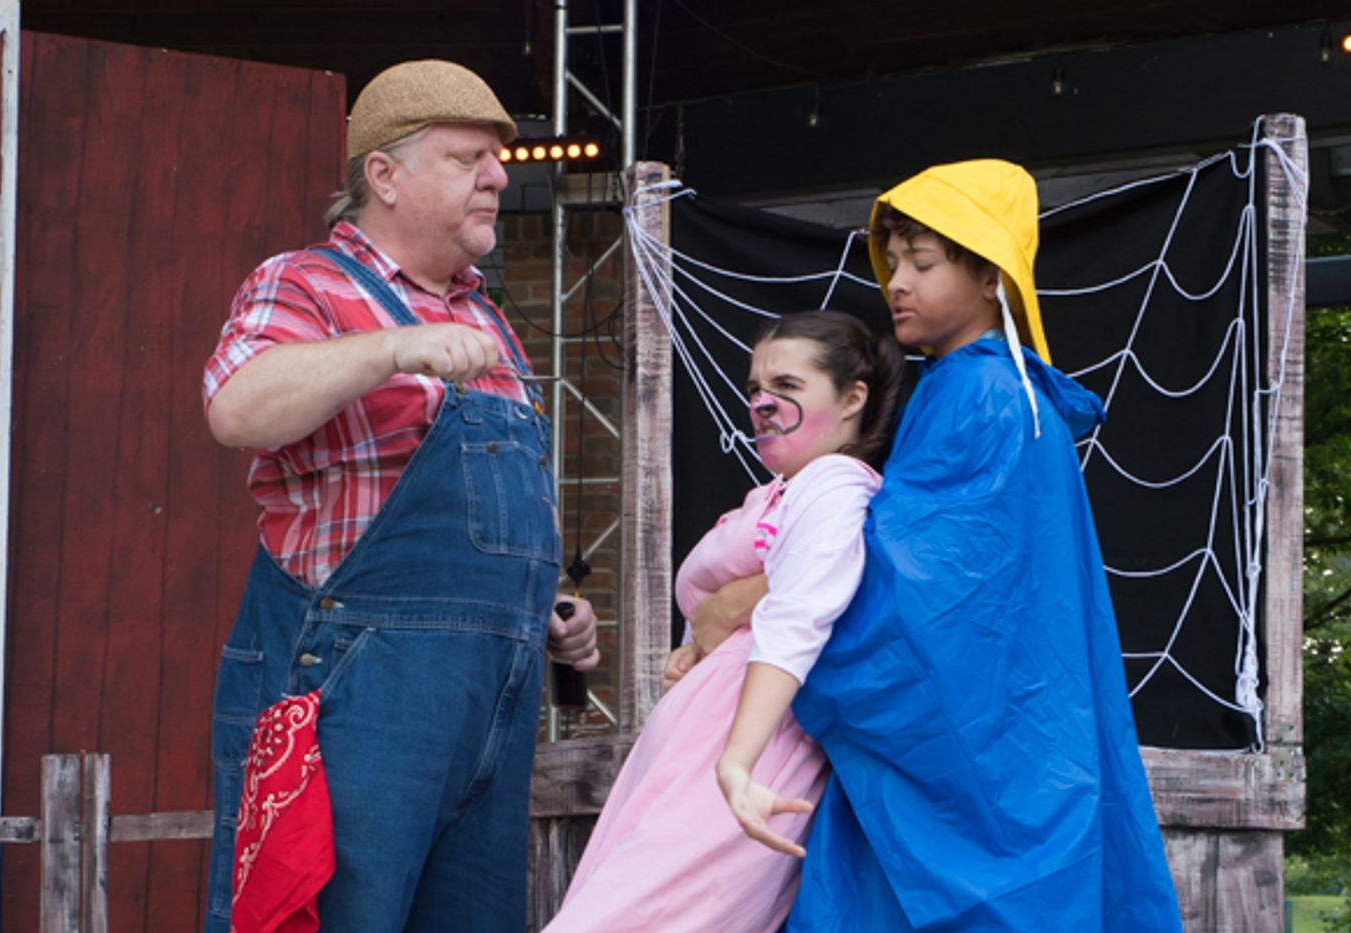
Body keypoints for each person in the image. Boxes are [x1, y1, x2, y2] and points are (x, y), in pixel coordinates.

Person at [689, 160, 1183, 931]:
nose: (899, 283)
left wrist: (748, 598)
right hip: (1022, 752)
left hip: (986, 772)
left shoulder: (979, 395)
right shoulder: (982, 388)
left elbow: (904, 578)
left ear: (992, 277)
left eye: (923, 262)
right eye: (893, 262)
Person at [199, 60, 599, 933]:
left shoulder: (485, 317)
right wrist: (389, 350)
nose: (498, 175)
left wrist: (554, 608)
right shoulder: (303, 282)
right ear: (383, 173)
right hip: (358, 698)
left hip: (486, 703)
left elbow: (490, 516)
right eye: (467, 158)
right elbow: (237, 407)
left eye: (498, 159)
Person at [543, 312, 905, 932]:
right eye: (754, 389)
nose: (763, 405)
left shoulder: (838, 487)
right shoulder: (781, 491)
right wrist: (697, 641)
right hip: (694, 748)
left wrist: (738, 761)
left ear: (852, 399)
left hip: (755, 748)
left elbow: (798, 617)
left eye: (787, 387)